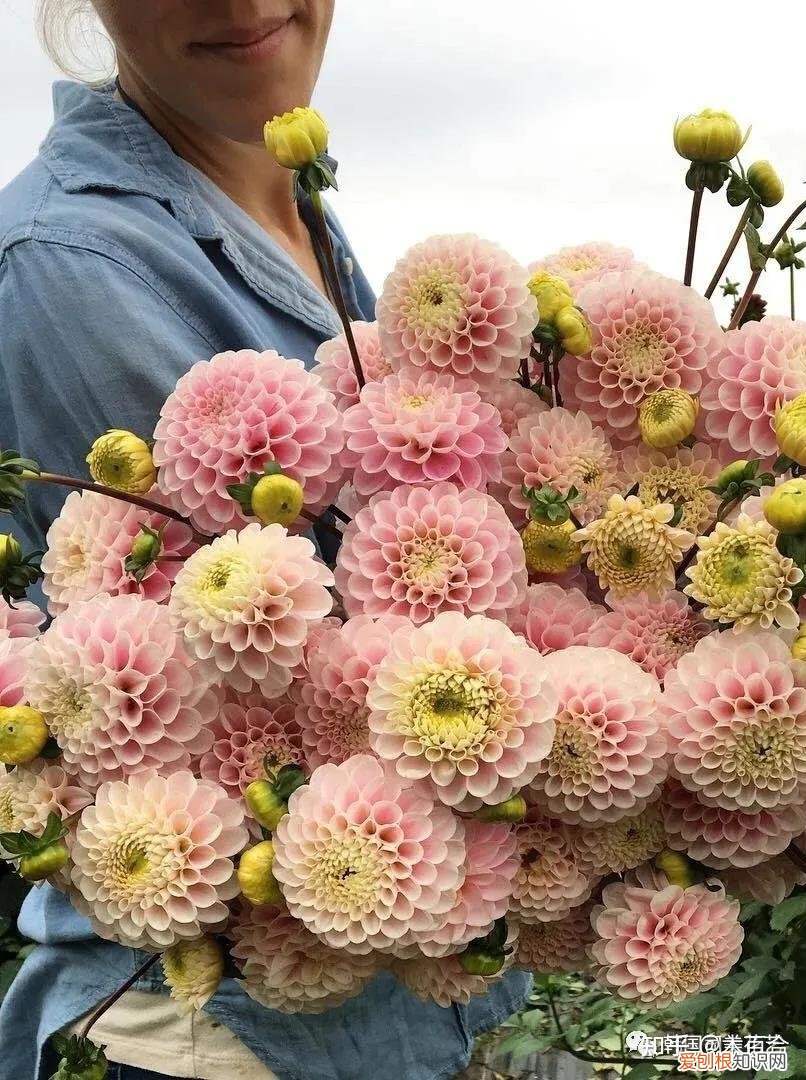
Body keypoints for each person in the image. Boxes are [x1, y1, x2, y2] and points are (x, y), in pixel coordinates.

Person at [0, 4, 531, 1078]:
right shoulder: (75, 262)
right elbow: (311, 659)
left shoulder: (274, 187)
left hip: (386, 1004)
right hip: (225, 1037)